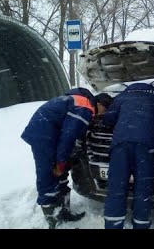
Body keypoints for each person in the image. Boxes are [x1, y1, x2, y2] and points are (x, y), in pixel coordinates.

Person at [21, 87, 98, 229]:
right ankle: (55, 222)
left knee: (61, 175)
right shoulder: (85, 107)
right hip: (43, 136)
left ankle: (64, 213)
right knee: (48, 175)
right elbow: (68, 137)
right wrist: (61, 162)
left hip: (49, 132)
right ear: (99, 104)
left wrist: (64, 163)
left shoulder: (78, 101)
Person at [102, 82, 154, 229]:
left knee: (116, 186)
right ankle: (141, 223)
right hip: (147, 146)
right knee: (144, 186)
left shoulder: (122, 97)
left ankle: (113, 224)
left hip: (121, 144)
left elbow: (108, 119)